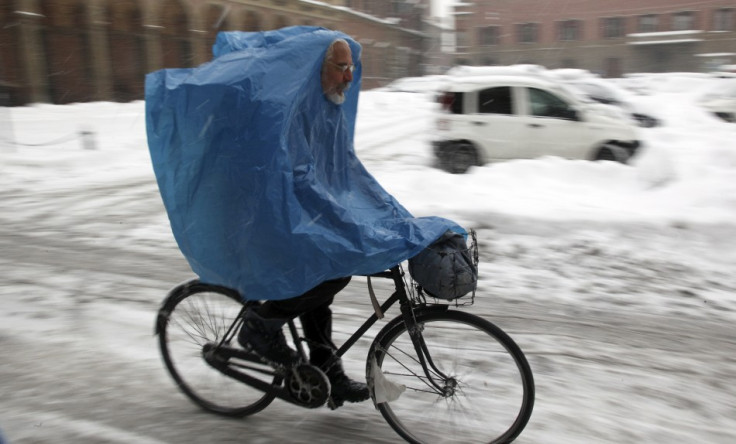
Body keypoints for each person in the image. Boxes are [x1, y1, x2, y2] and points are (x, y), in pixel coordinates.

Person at [237, 39, 370, 405]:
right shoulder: (295, 107)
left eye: (351, 68)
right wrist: (340, 217)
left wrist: (373, 210)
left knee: (324, 274)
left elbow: (341, 170)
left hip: (299, 212)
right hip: (268, 216)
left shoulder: (328, 107)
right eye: (340, 67)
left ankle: (326, 368)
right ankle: (260, 326)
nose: (348, 77)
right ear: (318, 68)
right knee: (333, 271)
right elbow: (299, 175)